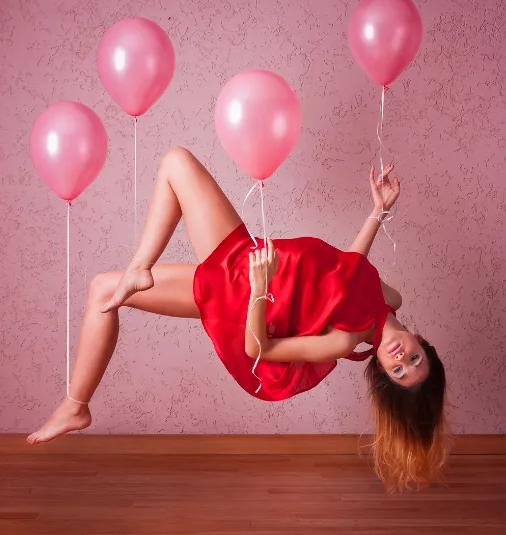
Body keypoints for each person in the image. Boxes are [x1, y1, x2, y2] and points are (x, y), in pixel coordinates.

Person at [27, 146, 448, 492]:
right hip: (246, 277)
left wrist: (260, 287)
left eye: (397, 370)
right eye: (414, 360)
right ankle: (76, 406)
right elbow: (349, 268)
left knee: (176, 162)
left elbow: (257, 348)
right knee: (102, 287)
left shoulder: (343, 340)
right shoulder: (389, 297)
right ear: (421, 341)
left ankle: (141, 265)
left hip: (245, 280)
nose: (401, 358)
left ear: (383, 370)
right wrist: (378, 211)